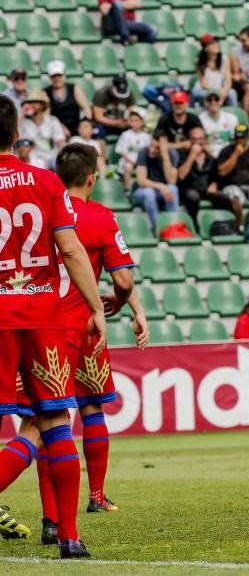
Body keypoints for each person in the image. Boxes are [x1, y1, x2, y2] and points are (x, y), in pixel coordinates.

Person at [0, 94, 107, 559]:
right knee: (55, 423)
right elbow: (71, 250)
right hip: (44, 318)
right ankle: (69, 536)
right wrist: (94, 308)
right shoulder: (45, 182)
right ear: (17, 130)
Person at [50, 144, 147, 531]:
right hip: (86, 326)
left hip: (41, 324)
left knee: (44, 419)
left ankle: (51, 516)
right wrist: (126, 305)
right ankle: (95, 496)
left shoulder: (44, 211)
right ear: (92, 177)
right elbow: (121, 279)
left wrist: (134, 305)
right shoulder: (100, 217)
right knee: (91, 408)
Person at [215, 124, 249, 227]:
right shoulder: (226, 151)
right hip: (232, 186)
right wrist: (236, 154)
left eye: (242, 137)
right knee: (236, 196)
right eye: (237, 137)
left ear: (247, 138)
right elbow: (222, 171)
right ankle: (241, 225)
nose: (240, 140)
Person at [132, 130, 180, 230]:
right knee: (149, 192)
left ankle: (172, 226)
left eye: (157, 148)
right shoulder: (143, 152)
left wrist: (165, 156)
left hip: (163, 192)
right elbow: (141, 181)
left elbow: (171, 181)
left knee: (173, 188)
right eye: (151, 145)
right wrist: (161, 186)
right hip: (142, 191)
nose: (152, 150)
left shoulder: (172, 154)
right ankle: (158, 228)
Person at [177, 126, 223, 224]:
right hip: (189, 190)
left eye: (200, 139)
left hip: (206, 190)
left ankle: (224, 225)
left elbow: (217, 176)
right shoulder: (182, 155)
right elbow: (181, 176)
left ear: (205, 140)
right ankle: (194, 226)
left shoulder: (211, 158)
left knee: (224, 197)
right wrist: (192, 156)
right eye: (194, 139)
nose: (197, 142)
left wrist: (214, 184)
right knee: (193, 197)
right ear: (190, 140)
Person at [19, 90, 68, 168]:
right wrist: (22, 114)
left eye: (36, 102)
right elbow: (12, 135)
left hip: (52, 158)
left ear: (42, 105)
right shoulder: (24, 122)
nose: (32, 105)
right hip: (32, 160)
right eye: (30, 102)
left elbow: (61, 142)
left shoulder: (52, 120)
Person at [44, 62, 92, 139]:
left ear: (64, 75)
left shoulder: (74, 88)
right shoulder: (45, 92)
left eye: (59, 75)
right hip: (57, 129)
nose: (57, 78)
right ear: (50, 77)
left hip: (76, 126)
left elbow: (86, 108)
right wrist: (60, 127)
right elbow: (47, 116)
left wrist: (85, 125)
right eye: (53, 76)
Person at [193, 34, 237, 106]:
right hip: (206, 89)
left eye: (216, 42)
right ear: (205, 48)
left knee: (233, 93)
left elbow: (228, 81)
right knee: (195, 93)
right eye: (211, 43)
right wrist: (217, 93)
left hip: (221, 88)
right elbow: (204, 85)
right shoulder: (199, 61)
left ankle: (234, 115)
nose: (216, 44)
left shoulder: (224, 58)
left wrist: (223, 92)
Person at [115, 108, 152, 192]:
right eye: (132, 121)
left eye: (137, 121)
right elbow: (122, 151)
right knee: (128, 167)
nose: (135, 123)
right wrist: (132, 162)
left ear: (142, 122)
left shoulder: (146, 136)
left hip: (142, 161)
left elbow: (148, 151)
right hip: (128, 160)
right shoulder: (125, 135)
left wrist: (140, 162)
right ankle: (126, 189)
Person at [92, 74, 137, 142]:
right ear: (113, 87)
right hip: (105, 123)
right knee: (98, 130)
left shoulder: (129, 93)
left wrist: (127, 121)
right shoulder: (101, 93)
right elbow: (98, 117)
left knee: (135, 128)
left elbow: (132, 110)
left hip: (122, 123)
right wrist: (115, 123)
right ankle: (101, 152)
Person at [199, 90, 240, 155]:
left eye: (216, 99)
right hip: (208, 153)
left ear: (221, 102)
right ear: (205, 103)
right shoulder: (200, 119)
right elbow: (199, 142)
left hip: (227, 152)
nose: (213, 102)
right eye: (209, 100)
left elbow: (238, 140)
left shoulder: (231, 118)